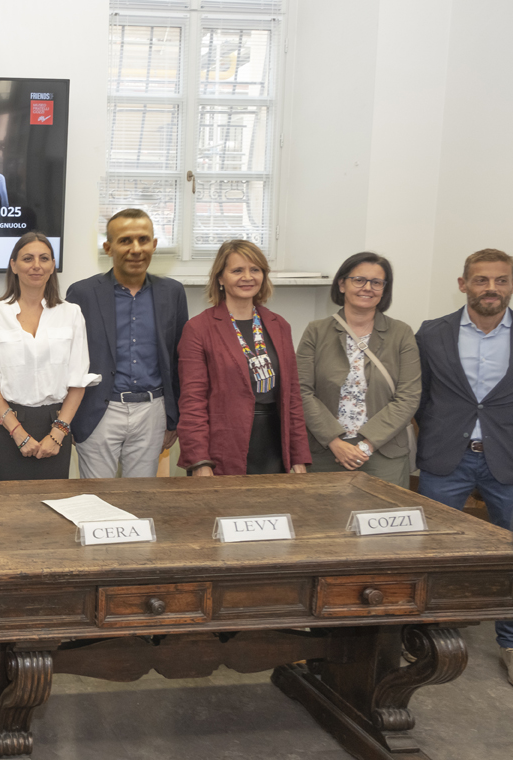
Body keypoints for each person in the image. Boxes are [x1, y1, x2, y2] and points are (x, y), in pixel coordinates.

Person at [414, 248, 513, 684]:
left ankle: (509, 640)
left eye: (500, 280)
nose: (491, 288)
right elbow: (419, 398)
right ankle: (433, 633)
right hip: (445, 460)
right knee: (435, 553)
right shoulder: (431, 334)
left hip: (507, 462)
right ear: (463, 284)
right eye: (481, 280)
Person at [0, 232, 99, 480]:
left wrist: (58, 433)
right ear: (14, 265)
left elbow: (78, 380)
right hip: (6, 425)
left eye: (44, 258)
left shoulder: (71, 314)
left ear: (52, 266)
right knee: (5, 509)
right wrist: (17, 433)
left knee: (52, 509)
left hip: (56, 426)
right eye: (28, 258)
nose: (36, 265)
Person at [66, 209, 188, 478]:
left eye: (143, 240)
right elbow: (69, 359)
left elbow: (179, 359)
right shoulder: (82, 293)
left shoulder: (173, 292)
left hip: (152, 411)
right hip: (99, 409)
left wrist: (174, 415)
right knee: (97, 502)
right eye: (125, 241)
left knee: (140, 499)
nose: (136, 249)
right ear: (108, 247)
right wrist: (69, 418)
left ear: (154, 245)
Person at [177, 239, 309, 476]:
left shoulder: (280, 326)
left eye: (255, 269)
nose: (247, 277)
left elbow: (293, 397)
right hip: (224, 447)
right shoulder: (198, 329)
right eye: (237, 270)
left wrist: (298, 456)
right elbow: (192, 402)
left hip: (274, 446)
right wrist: (199, 461)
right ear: (220, 278)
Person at [297, 253, 420, 486]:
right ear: (342, 284)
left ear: (384, 289)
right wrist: (334, 441)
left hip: (383, 453)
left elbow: (408, 397)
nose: (368, 288)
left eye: (376, 282)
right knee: (323, 520)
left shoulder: (401, 333)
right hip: (326, 451)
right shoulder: (316, 331)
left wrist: (366, 444)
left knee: (383, 519)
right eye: (359, 280)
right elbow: (301, 391)